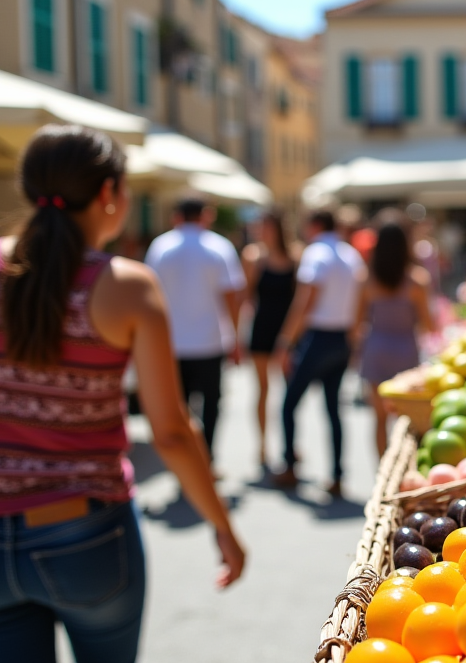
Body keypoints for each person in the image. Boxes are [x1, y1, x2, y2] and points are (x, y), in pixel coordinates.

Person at [0, 125, 243, 663]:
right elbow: (172, 430)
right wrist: (219, 523)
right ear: (109, 194)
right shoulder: (129, 288)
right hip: (85, 533)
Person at [145, 198, 246, 461]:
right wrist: (236, 338)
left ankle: (185, 460)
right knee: (211, 404)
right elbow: (232, 299)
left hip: (172, 343)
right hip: (210, 342)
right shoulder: (219, 247)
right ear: (206, 215)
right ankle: (207, 457)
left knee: (178, 406)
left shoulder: (161, 247)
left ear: (176, 216)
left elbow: (149, 297)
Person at [274, 210, 364, 495]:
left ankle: (289, 465)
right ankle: (337, 474)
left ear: (314, 225)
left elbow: (305, 301)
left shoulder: (316, 253)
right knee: (333, 409)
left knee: (289, 405)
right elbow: (361, 299)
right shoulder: (351, 255)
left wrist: (287, 341)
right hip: (342, 337)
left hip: (318, 338)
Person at [357, 222, 435, 456]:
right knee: (408, 422)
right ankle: (403, 474)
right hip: (406, 352)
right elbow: (428, 324)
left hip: (376, 349)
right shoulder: (417, 280)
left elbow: (356, 323)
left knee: (379, 418)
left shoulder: (367, 280)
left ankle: (381, 472)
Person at [243, 211, 300, 472]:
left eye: (266, 226)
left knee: (290, 394)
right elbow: (244, 296)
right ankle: (262, 444)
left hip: (287, 333)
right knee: (263, 390)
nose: (261, 231)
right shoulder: (253, 257)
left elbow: (301, 300)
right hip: (262, 330)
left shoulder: (296, 256)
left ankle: (290, 444)